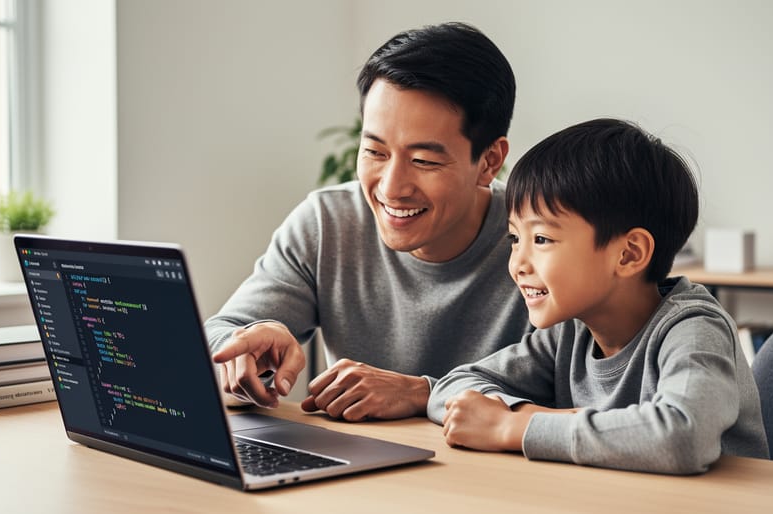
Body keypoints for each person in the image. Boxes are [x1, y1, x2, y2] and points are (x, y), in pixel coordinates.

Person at [205, 22, 531, 421]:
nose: (391, 188)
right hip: (358, 472)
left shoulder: (541, 240)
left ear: (490, 162)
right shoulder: (328, 223)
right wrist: (241, 348)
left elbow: (568, 394)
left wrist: (420, 392)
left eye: (424, 161)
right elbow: (215, 337)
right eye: (375, 151)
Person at [427, 118, 770, 474]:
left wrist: (512, 426)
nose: (518, 264)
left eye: (541, 239)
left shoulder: (695, 330)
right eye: (516, 238)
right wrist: (527, 415)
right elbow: (453, 388)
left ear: (628, 254)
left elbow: (682, 438)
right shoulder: (571, 334)